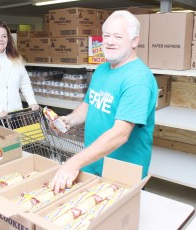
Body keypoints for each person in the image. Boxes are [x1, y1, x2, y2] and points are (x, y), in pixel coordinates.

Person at [51, 10, 158, 194]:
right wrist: (69, 120)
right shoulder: (101, 69)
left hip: (122, 172)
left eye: (118, 36)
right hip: (92, 163)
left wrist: (72, 163)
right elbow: (89, 105)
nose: (109, 41)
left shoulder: (138, 80)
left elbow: (121, 134)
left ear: (134, 41)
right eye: (106, 35)